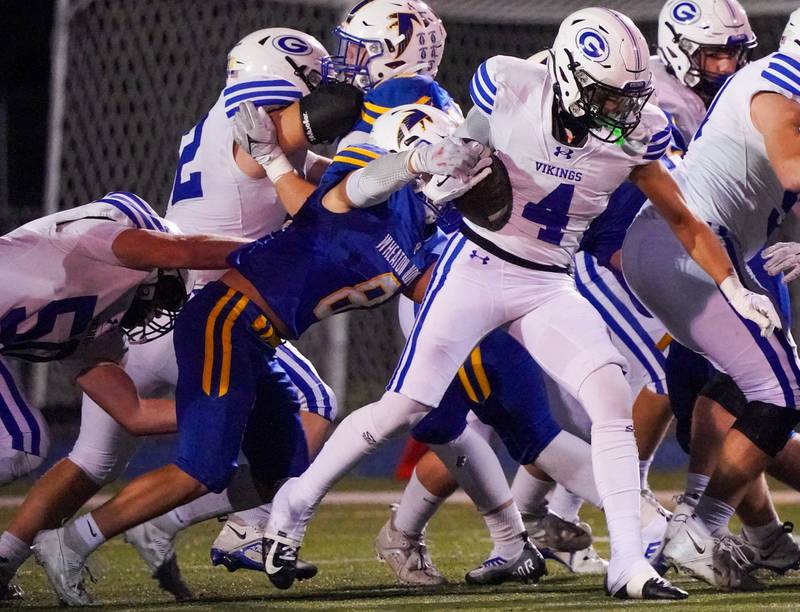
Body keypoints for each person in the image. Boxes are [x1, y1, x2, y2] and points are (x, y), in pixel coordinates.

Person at [262, 6, 768, 599]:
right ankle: (291, 507)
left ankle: (629, 563)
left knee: (607, 396)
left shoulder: (639, 127)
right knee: (405, 405)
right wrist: (435, 169)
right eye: (610, 95)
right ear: (574, 76)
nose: (624, 110)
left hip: (551, 282)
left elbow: (683, 217)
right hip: (475, 267)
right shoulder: (511, 86)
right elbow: (450, 159)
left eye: (629, 96)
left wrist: (733, 285)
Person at [30, 101, 489, 606]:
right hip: (225, 322)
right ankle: (70, 542)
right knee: (203, 468)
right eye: (443, 159)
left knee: (284, 469)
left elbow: (441, 290)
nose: (457, 176)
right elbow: (358, 188)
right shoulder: (361, 198)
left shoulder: (421, 237)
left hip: (258, 339)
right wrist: (413, 165)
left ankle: (160, 523)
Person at [0, 28, 366, 602]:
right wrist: (365, 79)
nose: (307, 97)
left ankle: (5, 558)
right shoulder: (255, 127)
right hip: (203, 307)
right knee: (308, 408)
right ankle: (234, 525)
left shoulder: (228, 126)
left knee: (93, 458)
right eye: (307, 81)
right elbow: (333, 111)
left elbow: (316, 167)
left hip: (140, 313)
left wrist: (369, 176)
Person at [622, 12, 800, 590]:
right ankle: (699, 527)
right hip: (687, 251)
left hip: (688, 250)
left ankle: (754, 534)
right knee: (782, 389)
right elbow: (793, 168)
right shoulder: (780, 87)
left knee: (737, 395)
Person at [0, 193, 248, 601]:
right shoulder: (97, 237)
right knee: (19, 445)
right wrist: (273, 252)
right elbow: (183, 249)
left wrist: (228, 407)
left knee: (21, 445)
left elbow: (133, 414)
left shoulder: (96, 328)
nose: (158, 315)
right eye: (166, 298)